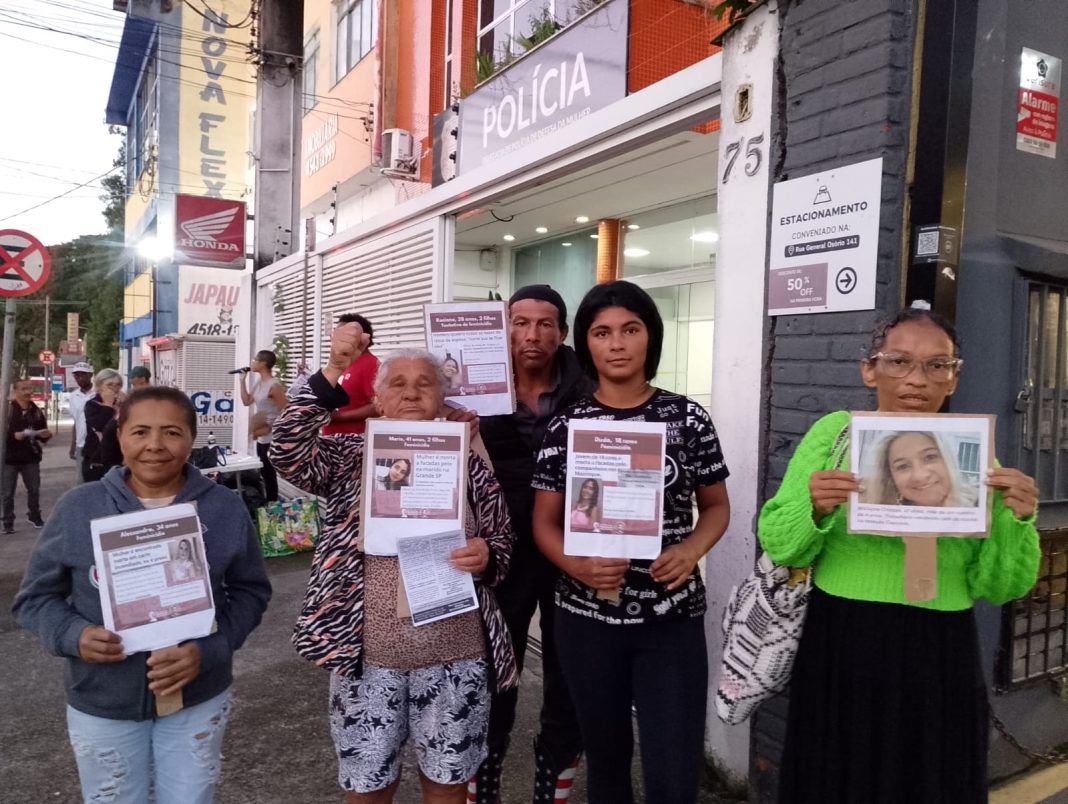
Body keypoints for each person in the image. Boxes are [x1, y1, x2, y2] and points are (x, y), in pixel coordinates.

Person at [758, 306, 1041, 802]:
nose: (917, 379)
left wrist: (1016, 521)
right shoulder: (835, 434)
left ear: (953, 379)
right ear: (870, 369)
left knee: (929, 780)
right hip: (846, 637)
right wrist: (815, 507)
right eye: (899, 362)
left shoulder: (972, 456)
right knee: (839, 779)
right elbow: (780, 542)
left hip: (940, 647)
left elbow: (1002, 587)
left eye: (938, 365)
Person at [270, 324, 517, 804]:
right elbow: (285, 446)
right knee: (366, 786)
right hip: (367, 657)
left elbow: (502, 540)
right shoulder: (347, 456)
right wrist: (335, 369)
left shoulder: (469, 460)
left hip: (454, 655)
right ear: (378, 401)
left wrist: (486, 555)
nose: (411, 392)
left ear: (442, 399)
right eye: (397, 384)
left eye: (425, 384)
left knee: (447, 783)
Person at [13, 385, 271, 804]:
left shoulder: (224, 507)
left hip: (198, 698)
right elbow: (34, 600)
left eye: (171, 432)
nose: (155, 446)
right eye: (140, 432)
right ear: (120, 437)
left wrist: (211, 649)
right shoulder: (80, 506)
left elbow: (250, 592)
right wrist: (72, 635)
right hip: (103, 702)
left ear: (191, 437)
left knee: (191, 797)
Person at [531, 280, 731, 804]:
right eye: (602, 332)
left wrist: (691, 550)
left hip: (670, 622)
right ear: (586, 344)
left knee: (673, 769)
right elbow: (544, 524)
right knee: (608, 766)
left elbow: (716, 507)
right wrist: (578, 568)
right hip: (587, 621)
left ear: (650, 338)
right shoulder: (567, 426)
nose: (617, 343)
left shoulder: (688, 419)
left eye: (630, 329)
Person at [472, 284, 592, 803]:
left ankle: (556, 775)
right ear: (504, 327)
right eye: (520, 322)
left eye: (545, 324)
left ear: (562, 333)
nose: (532, 334)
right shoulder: (471, 387)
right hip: (500, 551)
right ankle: (485, 767)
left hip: (574, 545)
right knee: (496, 664)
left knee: (570, 666)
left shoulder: (590, 387)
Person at [860, 429, 977, 507]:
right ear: (890, 477)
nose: (919, 475)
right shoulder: (876, 518)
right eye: (903, 466)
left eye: (929, 457)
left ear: (948, 458)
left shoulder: (980, 506)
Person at [3, 377, 53, 533]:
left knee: (34, 489)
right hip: (9, 458)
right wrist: (12, 435)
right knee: (7, 492)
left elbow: (42, 432)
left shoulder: (36, 411)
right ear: (15, 391)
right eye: (23, 389)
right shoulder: (8, 411)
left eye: (29, 389)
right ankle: (8, 522)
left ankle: (34, 516)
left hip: (30, 457)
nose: (28, 392)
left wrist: (45, 435)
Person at [238, 350, 288, 502]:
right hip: (261, 434)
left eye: (255, 360)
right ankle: (269, 503)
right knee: (264, 471)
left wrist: (273, 426)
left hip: (271, 435)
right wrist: (242, 381)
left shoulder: (274, 386)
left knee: (269, 472)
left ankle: (272, 504)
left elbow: (287, 410)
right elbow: (247, 401)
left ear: (263, 364)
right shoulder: (259, 383)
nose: (252, 362)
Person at [322, 313, 380, 436]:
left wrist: (338, 417)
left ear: (361, 337)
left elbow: (377, 407)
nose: (334, 338)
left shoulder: (371, 364)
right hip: (331, 439)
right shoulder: (344, 362)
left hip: (352, 442)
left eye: (342, 334)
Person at [83, 369, 125, 483]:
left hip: (118, 457)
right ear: (99, 386)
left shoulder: (123, 405)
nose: (114, 389)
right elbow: (99, 425)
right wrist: (107, 405)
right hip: (97, 458)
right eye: (109, 385)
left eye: (117, 385)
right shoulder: (92, 405)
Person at [67, 361, 94, 484]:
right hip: (81, 444)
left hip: (97, 443)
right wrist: (73, 445)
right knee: (80, 480)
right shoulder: (73, 396)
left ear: (90, 375)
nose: (79, 378)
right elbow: (76, 422)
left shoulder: (98, 393)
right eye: (76, 375)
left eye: (82, 374)